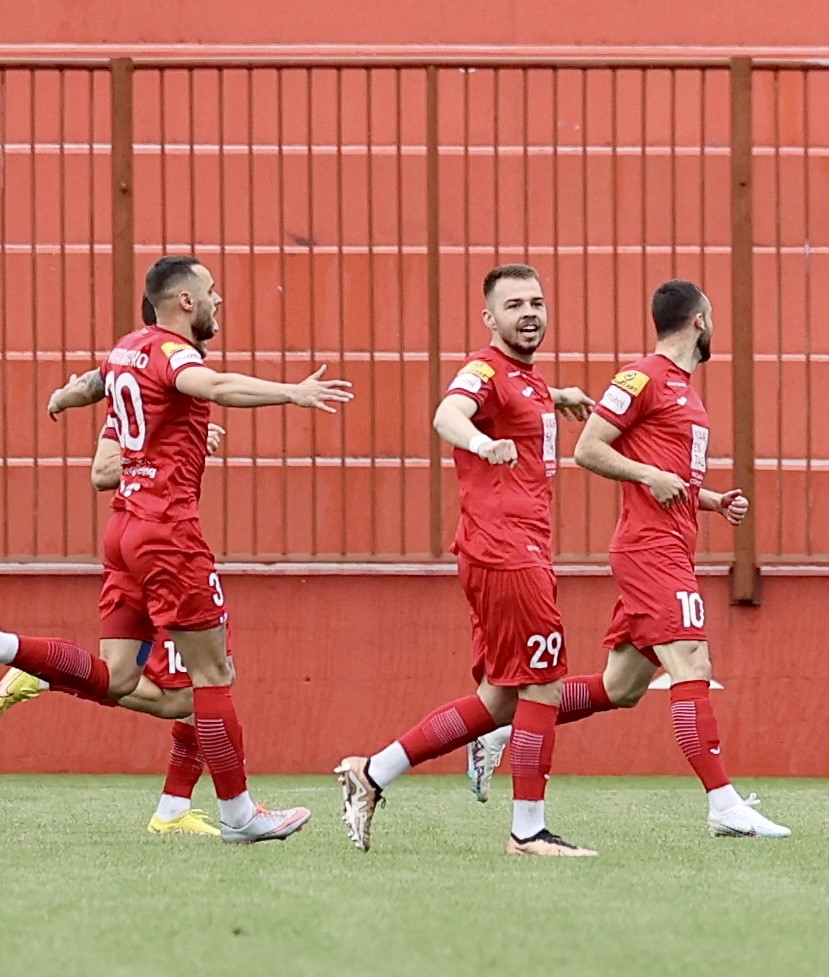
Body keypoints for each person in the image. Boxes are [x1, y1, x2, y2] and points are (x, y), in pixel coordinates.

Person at [0, 254, 352, 844]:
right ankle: (240, 815)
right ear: (185, 301)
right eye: (211, 292)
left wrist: (61, 398)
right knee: (213, 675)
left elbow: (92, 384)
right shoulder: (173, 353)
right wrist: (293, 392)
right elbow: (214, 384)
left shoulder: (126, 348)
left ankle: (0, 644)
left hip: (125, 530)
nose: (218, 302)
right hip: (168, 532)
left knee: (122, 679)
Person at [468, 280, 790, 838]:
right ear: (700, 321)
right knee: (692, 664)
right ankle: (724, 805)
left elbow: (668, 472)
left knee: (622, 688)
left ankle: (504, 728)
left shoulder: (686, 391)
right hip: (650, 550)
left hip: (672, 543)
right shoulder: (641, 376)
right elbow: (588, 448)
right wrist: (648, 475)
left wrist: (709, 500)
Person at [335, 264, 601, 857]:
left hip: (502, 548)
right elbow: (447, 413)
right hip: (507, 549)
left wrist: (560, 397)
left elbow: (520, 397)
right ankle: (528, 831)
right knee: (543, 685)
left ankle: (372, 772)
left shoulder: (526, 379)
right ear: (490, 318)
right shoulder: (484, 368)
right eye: (513, 306)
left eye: (536, 302)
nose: (528, 313)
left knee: (499, 702)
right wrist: (483, 442)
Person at [0, 382, 227, 837]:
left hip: (154, 545)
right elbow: (101, 472)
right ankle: (48, 671)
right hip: (162, 552)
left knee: (188, 695)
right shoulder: (146, 388)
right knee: (199, 689)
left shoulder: (168, 390)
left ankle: (173, 811)